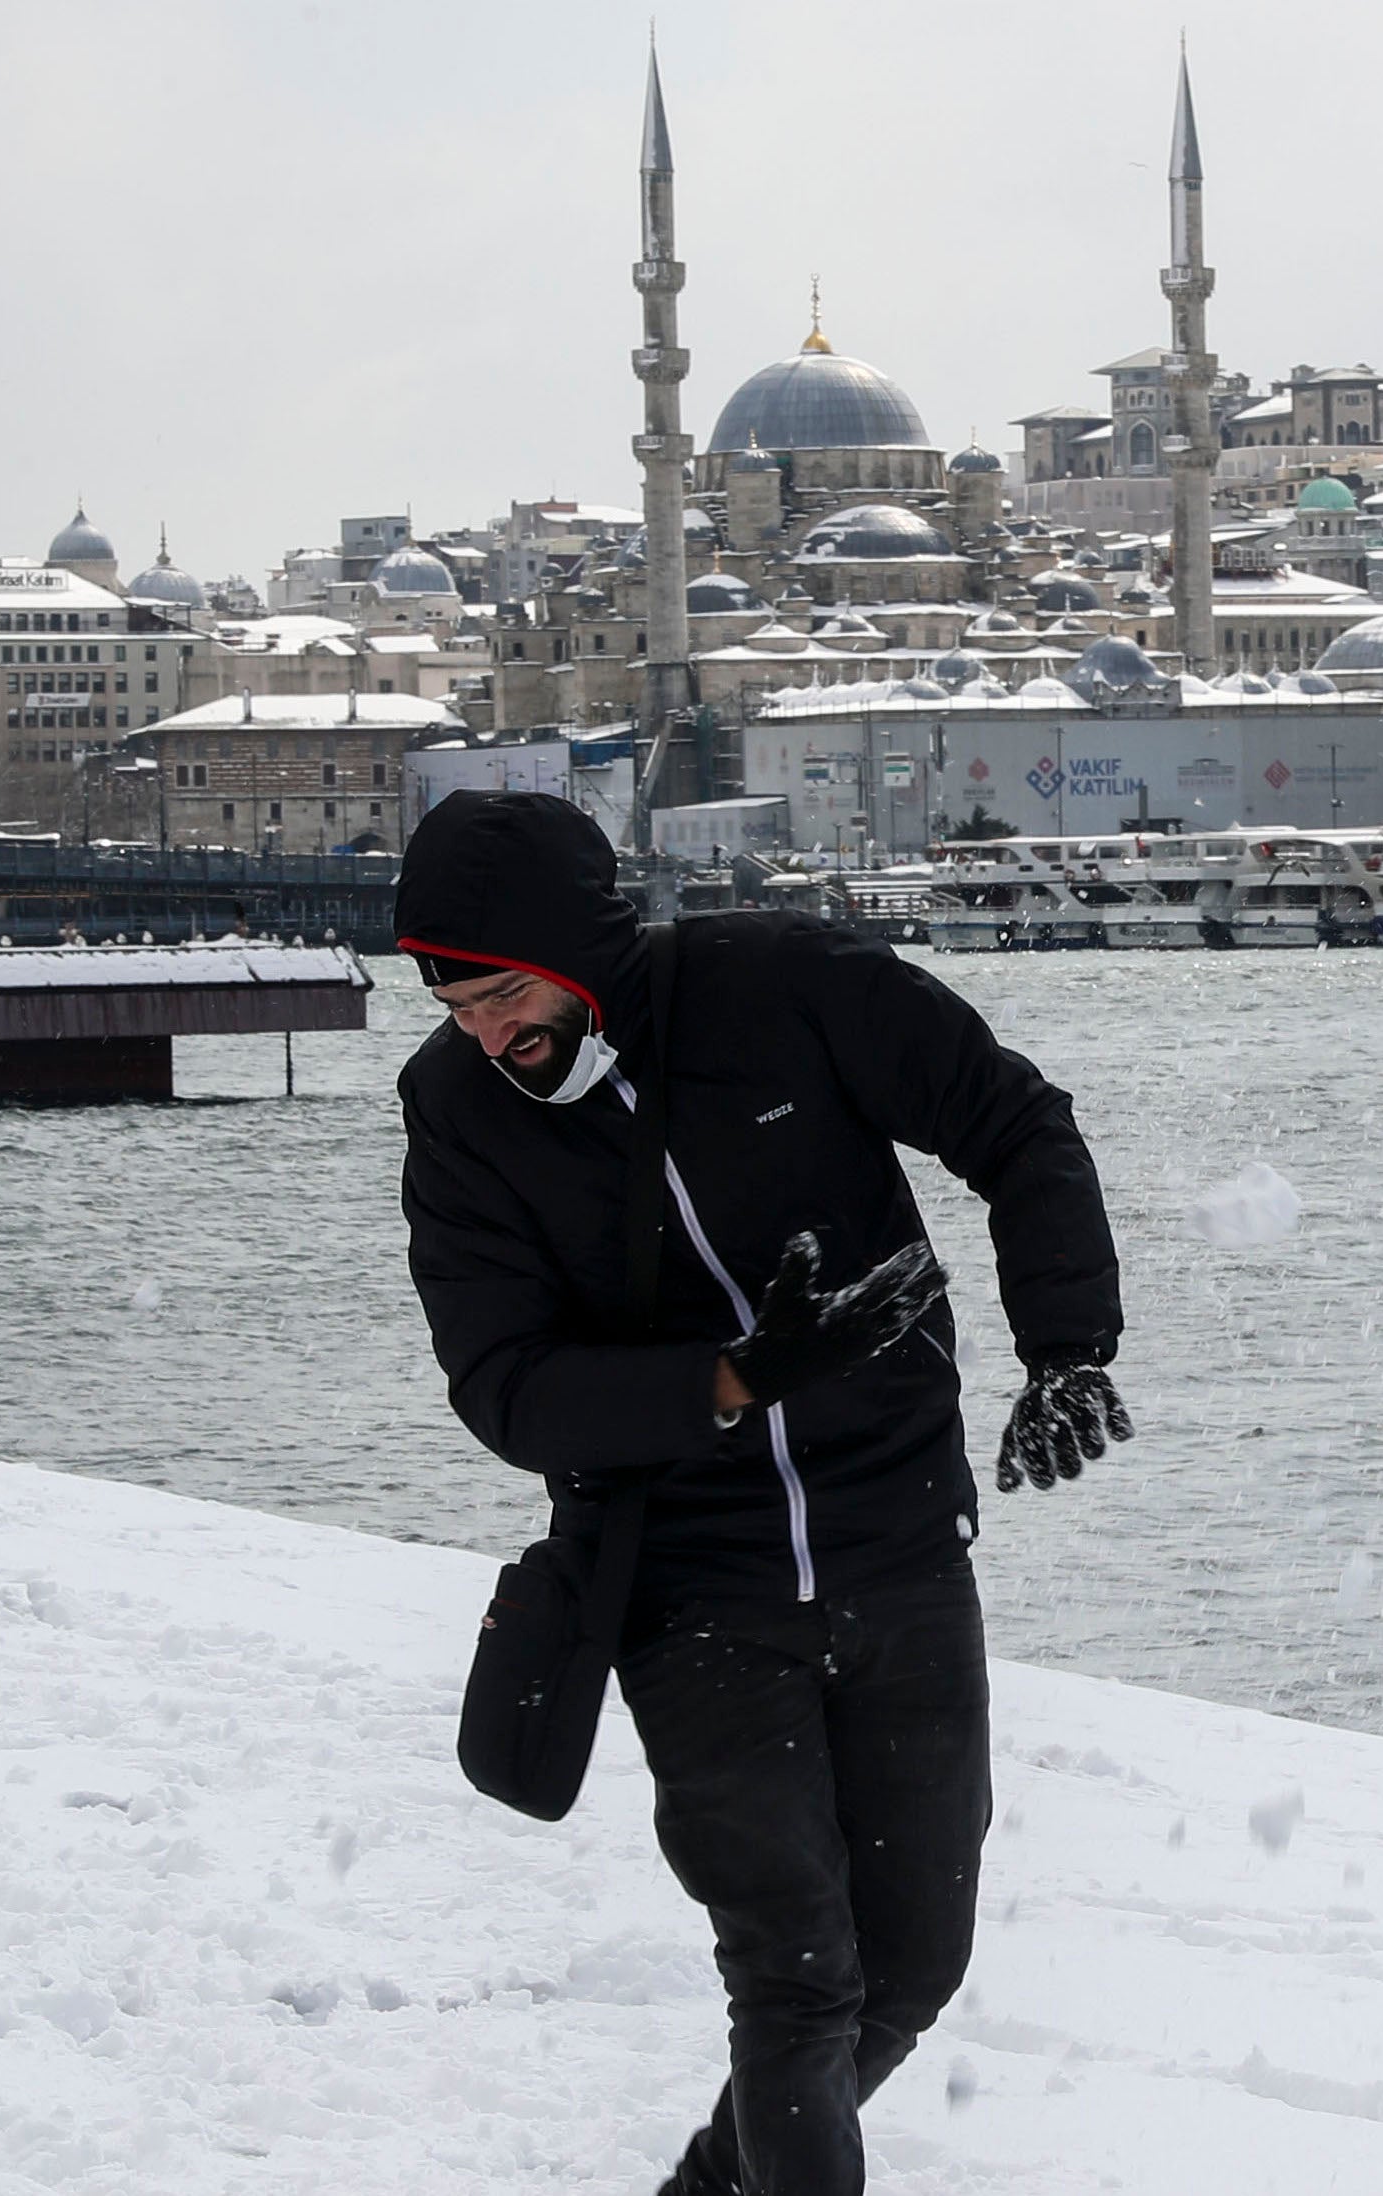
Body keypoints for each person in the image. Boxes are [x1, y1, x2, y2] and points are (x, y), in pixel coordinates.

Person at [392, 791, 1129, 2195]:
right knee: (795, 1976)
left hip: (901, 1542)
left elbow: (1017, 1124)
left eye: (500, 997)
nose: (486, 1037)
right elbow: (504, 1387)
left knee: (912, 1965)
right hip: (689, 1588)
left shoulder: (783, 985)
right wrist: (730, 1381)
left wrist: (1068, 1349)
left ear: (576, 949)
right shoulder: (457, 1114)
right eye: (455, 1010)